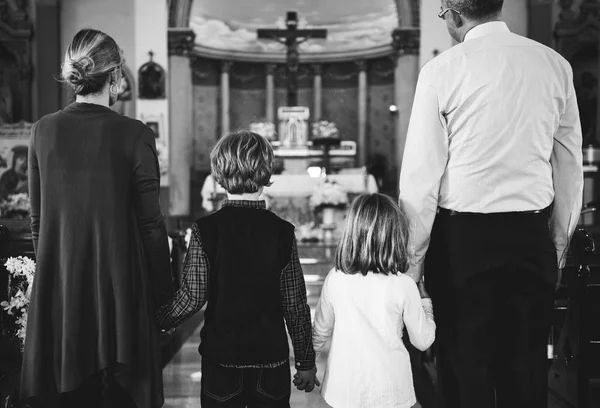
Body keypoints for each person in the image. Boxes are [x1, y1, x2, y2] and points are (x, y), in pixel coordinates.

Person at [398, 1, 583, 407]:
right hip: (531, 236)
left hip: (461, 241)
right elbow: (569, 163)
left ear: (453, 13)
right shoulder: (554, 65)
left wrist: (411, 266)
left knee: (463, 369)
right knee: (528, 368)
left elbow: (421, 177)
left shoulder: (442, 71)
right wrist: (557, 243)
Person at [21, 28, 173, 408]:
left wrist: (52, 283)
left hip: (61, 287)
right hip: (120, 289)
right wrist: (163, 295)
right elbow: (151, 225)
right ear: (116, 76)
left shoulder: (43, 131)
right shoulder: (135, 134)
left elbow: (38, 222)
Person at [156, 130, 319, 408]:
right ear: (267, 171)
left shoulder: (205, 230)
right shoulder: (282, 232)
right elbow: (295, 304)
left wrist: (159, 321)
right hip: (271, 359)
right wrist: (305, 361)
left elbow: (193, 296)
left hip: (222, 358)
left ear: (219, 174)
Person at [311, 193, 435, 408]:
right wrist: (426, 303)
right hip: (390, 389)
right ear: (396, 234)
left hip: (344, 388)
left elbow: (321, 330)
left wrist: (308, 365)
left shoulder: (336, 278)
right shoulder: (403, 285)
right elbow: (422, 340)